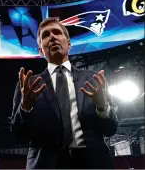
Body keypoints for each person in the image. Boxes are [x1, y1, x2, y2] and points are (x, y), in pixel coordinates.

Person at [10, 17, 118, 169]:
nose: (52, 37)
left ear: (68, 44)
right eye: (46, 35)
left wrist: (102, 107)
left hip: (93, 163)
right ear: (41, 50)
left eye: (57, 32)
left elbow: (110, 129)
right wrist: (25, 109)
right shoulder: (28, 85)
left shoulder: (94, 79)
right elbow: (18, 135)